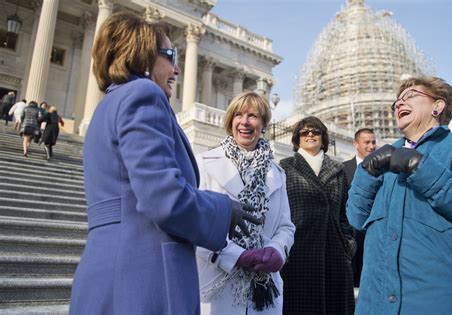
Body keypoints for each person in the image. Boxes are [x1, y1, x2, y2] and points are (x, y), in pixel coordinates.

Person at [69, 12, 260, 314]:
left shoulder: (107, 105)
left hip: (107, 273)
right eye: (170, 55)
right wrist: (223, 209)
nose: (177, 68)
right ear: (142, 53)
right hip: (143, 279)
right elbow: (165, 199)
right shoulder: (144, 95)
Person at [346, 76, 452, 314]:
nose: (399, 104)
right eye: (397, 101)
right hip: (377, 301)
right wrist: (367, 171)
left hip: (438, 300)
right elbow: (356, 217)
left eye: (411, 96)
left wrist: (419, 166)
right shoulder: (385, 157)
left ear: (438, 106)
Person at [196, 91, 295, 314]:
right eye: (238, 115)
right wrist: (234, 255)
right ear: (230, 121)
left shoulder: (277, 172)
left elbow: (286, 227)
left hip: (263, 290)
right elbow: (195, 223)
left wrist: (277, 250)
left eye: (253, 116)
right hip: (217, 287)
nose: (245, 122)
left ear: (264, 124)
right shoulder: (204, 163)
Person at [280, 116, 356, 314]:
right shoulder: (284, 167)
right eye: (305, 132)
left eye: (316, 131)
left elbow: (345, 213)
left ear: (323, 138)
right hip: (298, 254)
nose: (310, 135)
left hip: (335, 254)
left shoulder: (338, 170)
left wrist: (347, 244)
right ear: (297, 140)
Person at [343, 128, 376, 288]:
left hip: (373, 233)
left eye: (373, 142)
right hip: (351, 235)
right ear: (356, 144)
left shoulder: (385, 168)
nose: (371, 146)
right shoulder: (343, 169)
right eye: (367, 142)